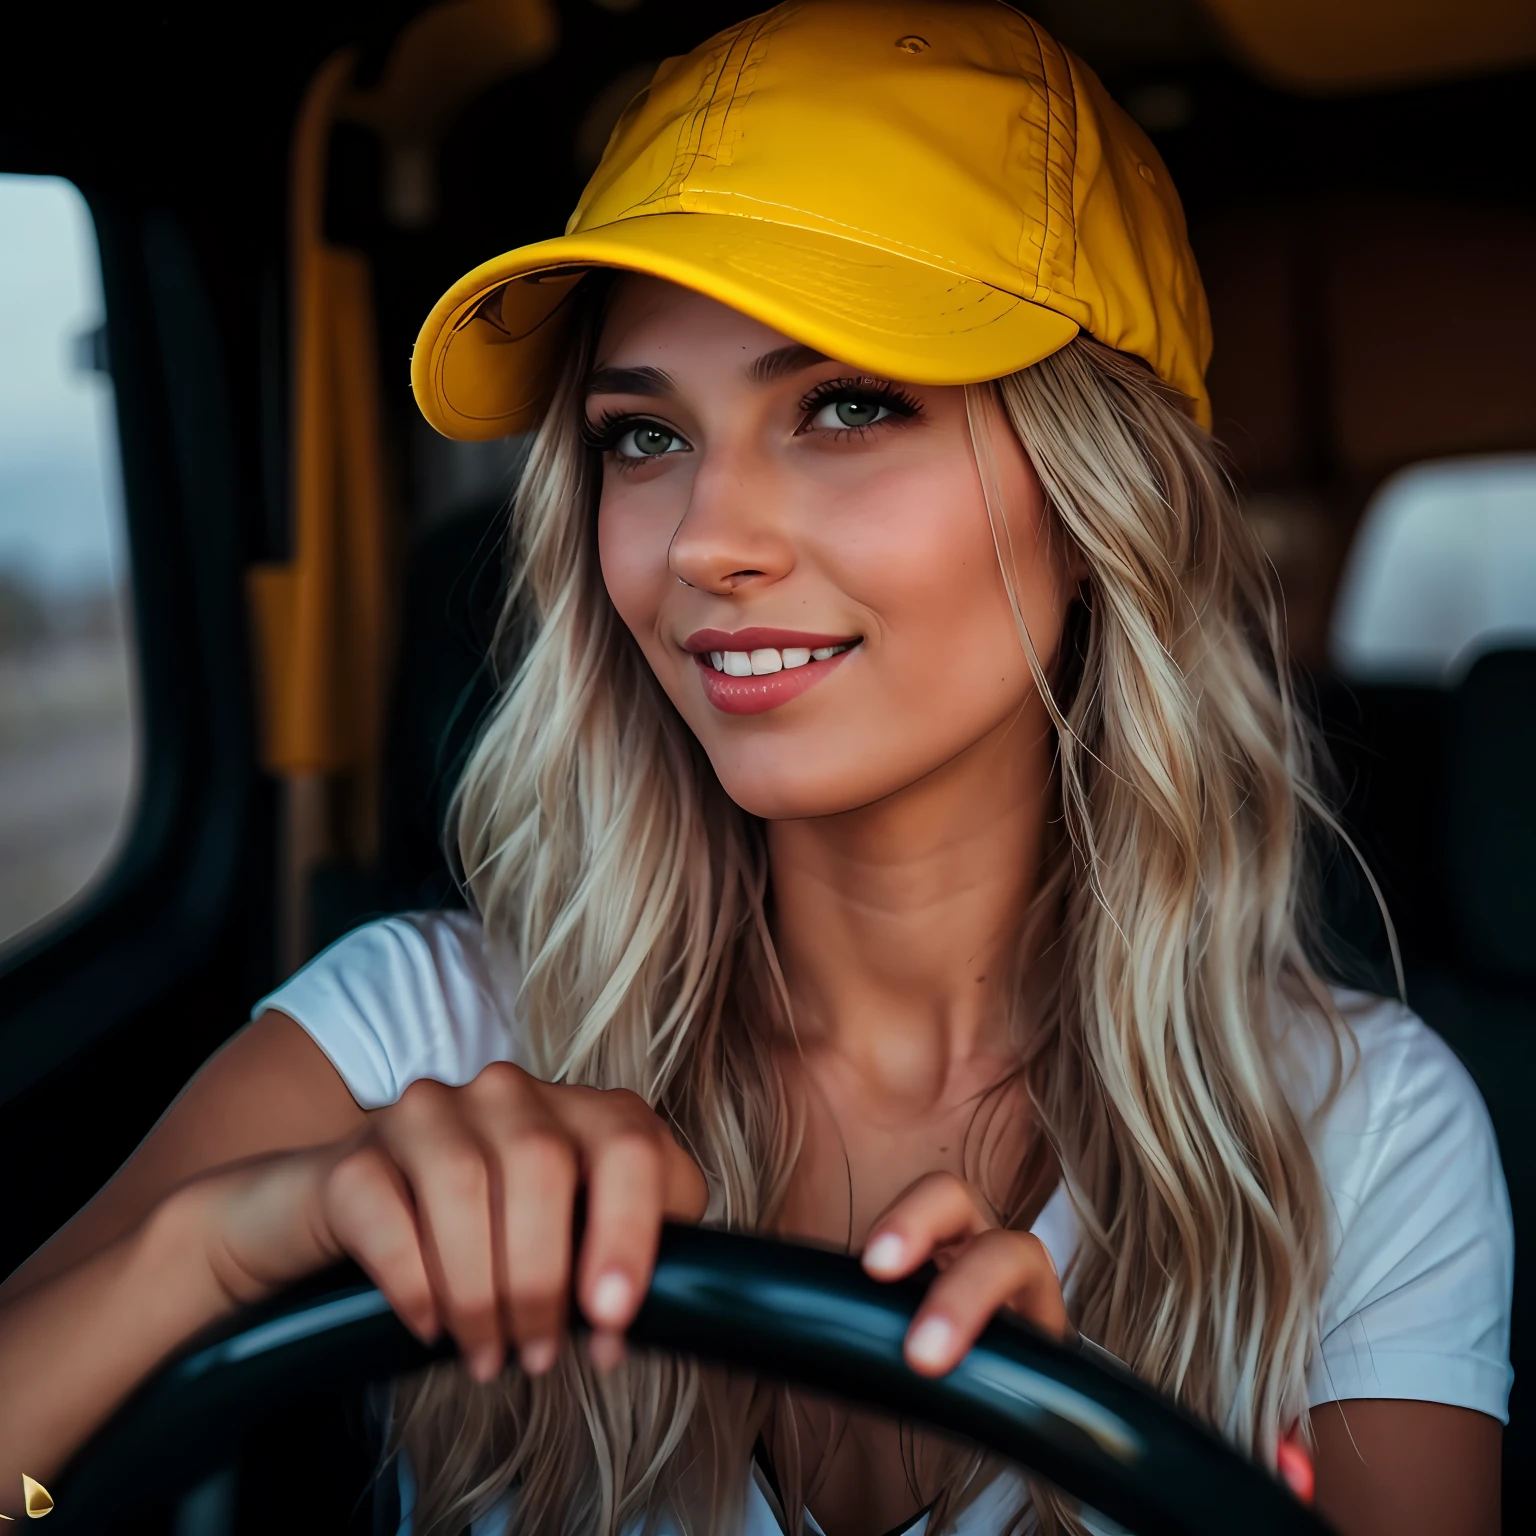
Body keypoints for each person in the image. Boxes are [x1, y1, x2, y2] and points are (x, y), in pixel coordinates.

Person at [0, 3, 1513, 1534]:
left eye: (847, 405)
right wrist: (229, 1249)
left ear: (1095, 495)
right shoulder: (424, 1036)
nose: (707, 541)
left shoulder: (1359, 1140)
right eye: (643, 438)